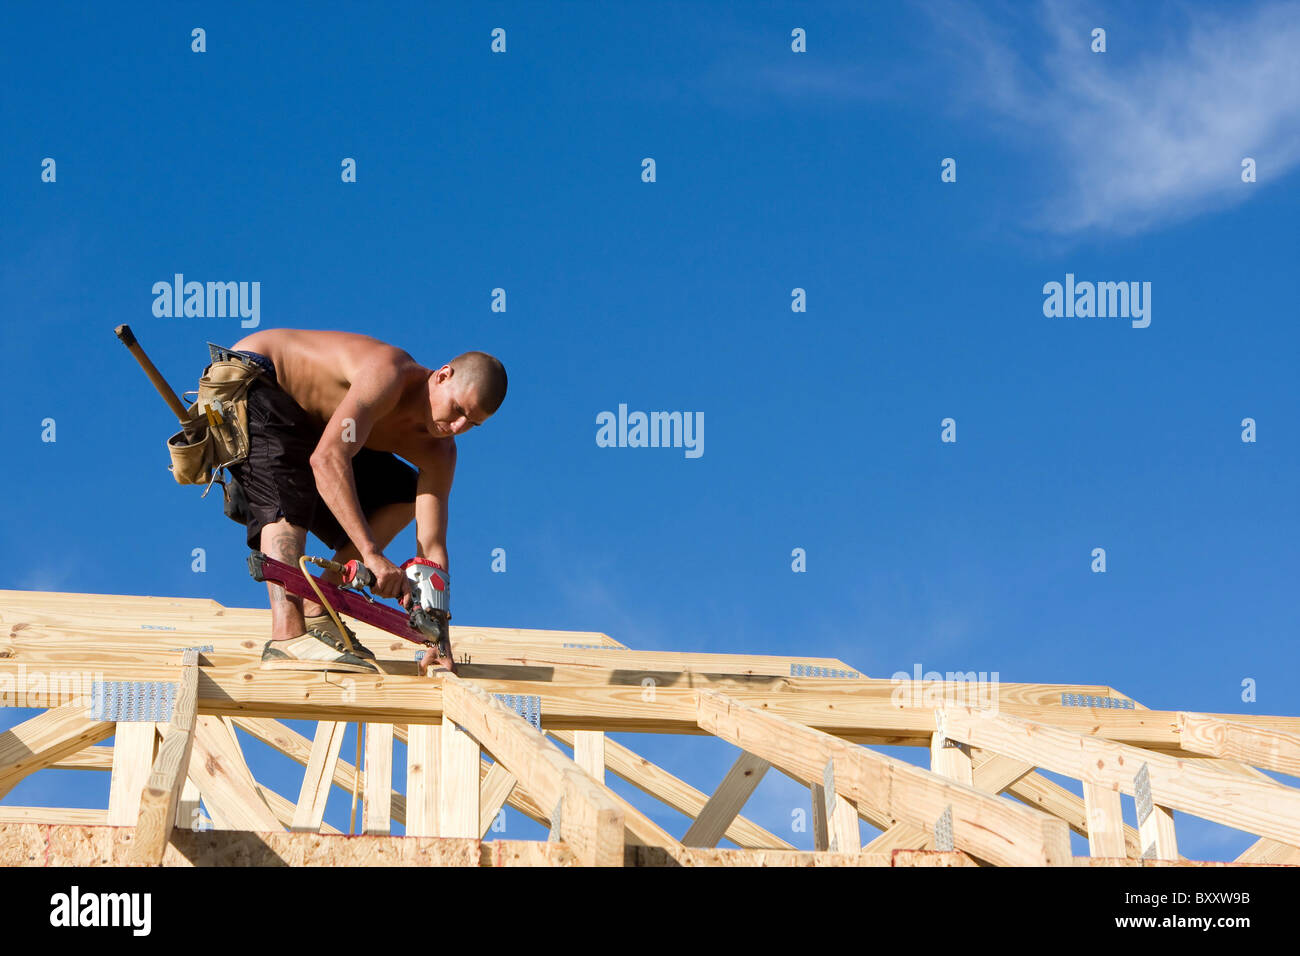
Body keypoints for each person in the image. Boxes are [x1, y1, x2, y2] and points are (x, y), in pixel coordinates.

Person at [223, 328, 506, 673]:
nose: (457, 426)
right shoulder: (389, 376)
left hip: (319, 425)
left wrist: (438, 635)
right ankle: (287, 638)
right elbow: (326, 460)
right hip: (259, 376)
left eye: (472, 424)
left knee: (404, 495)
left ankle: (319, 606)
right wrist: (371, 555)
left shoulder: (440, 452)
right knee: (289, 495)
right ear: (443, 375)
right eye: (458, 408)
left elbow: (431, 549)